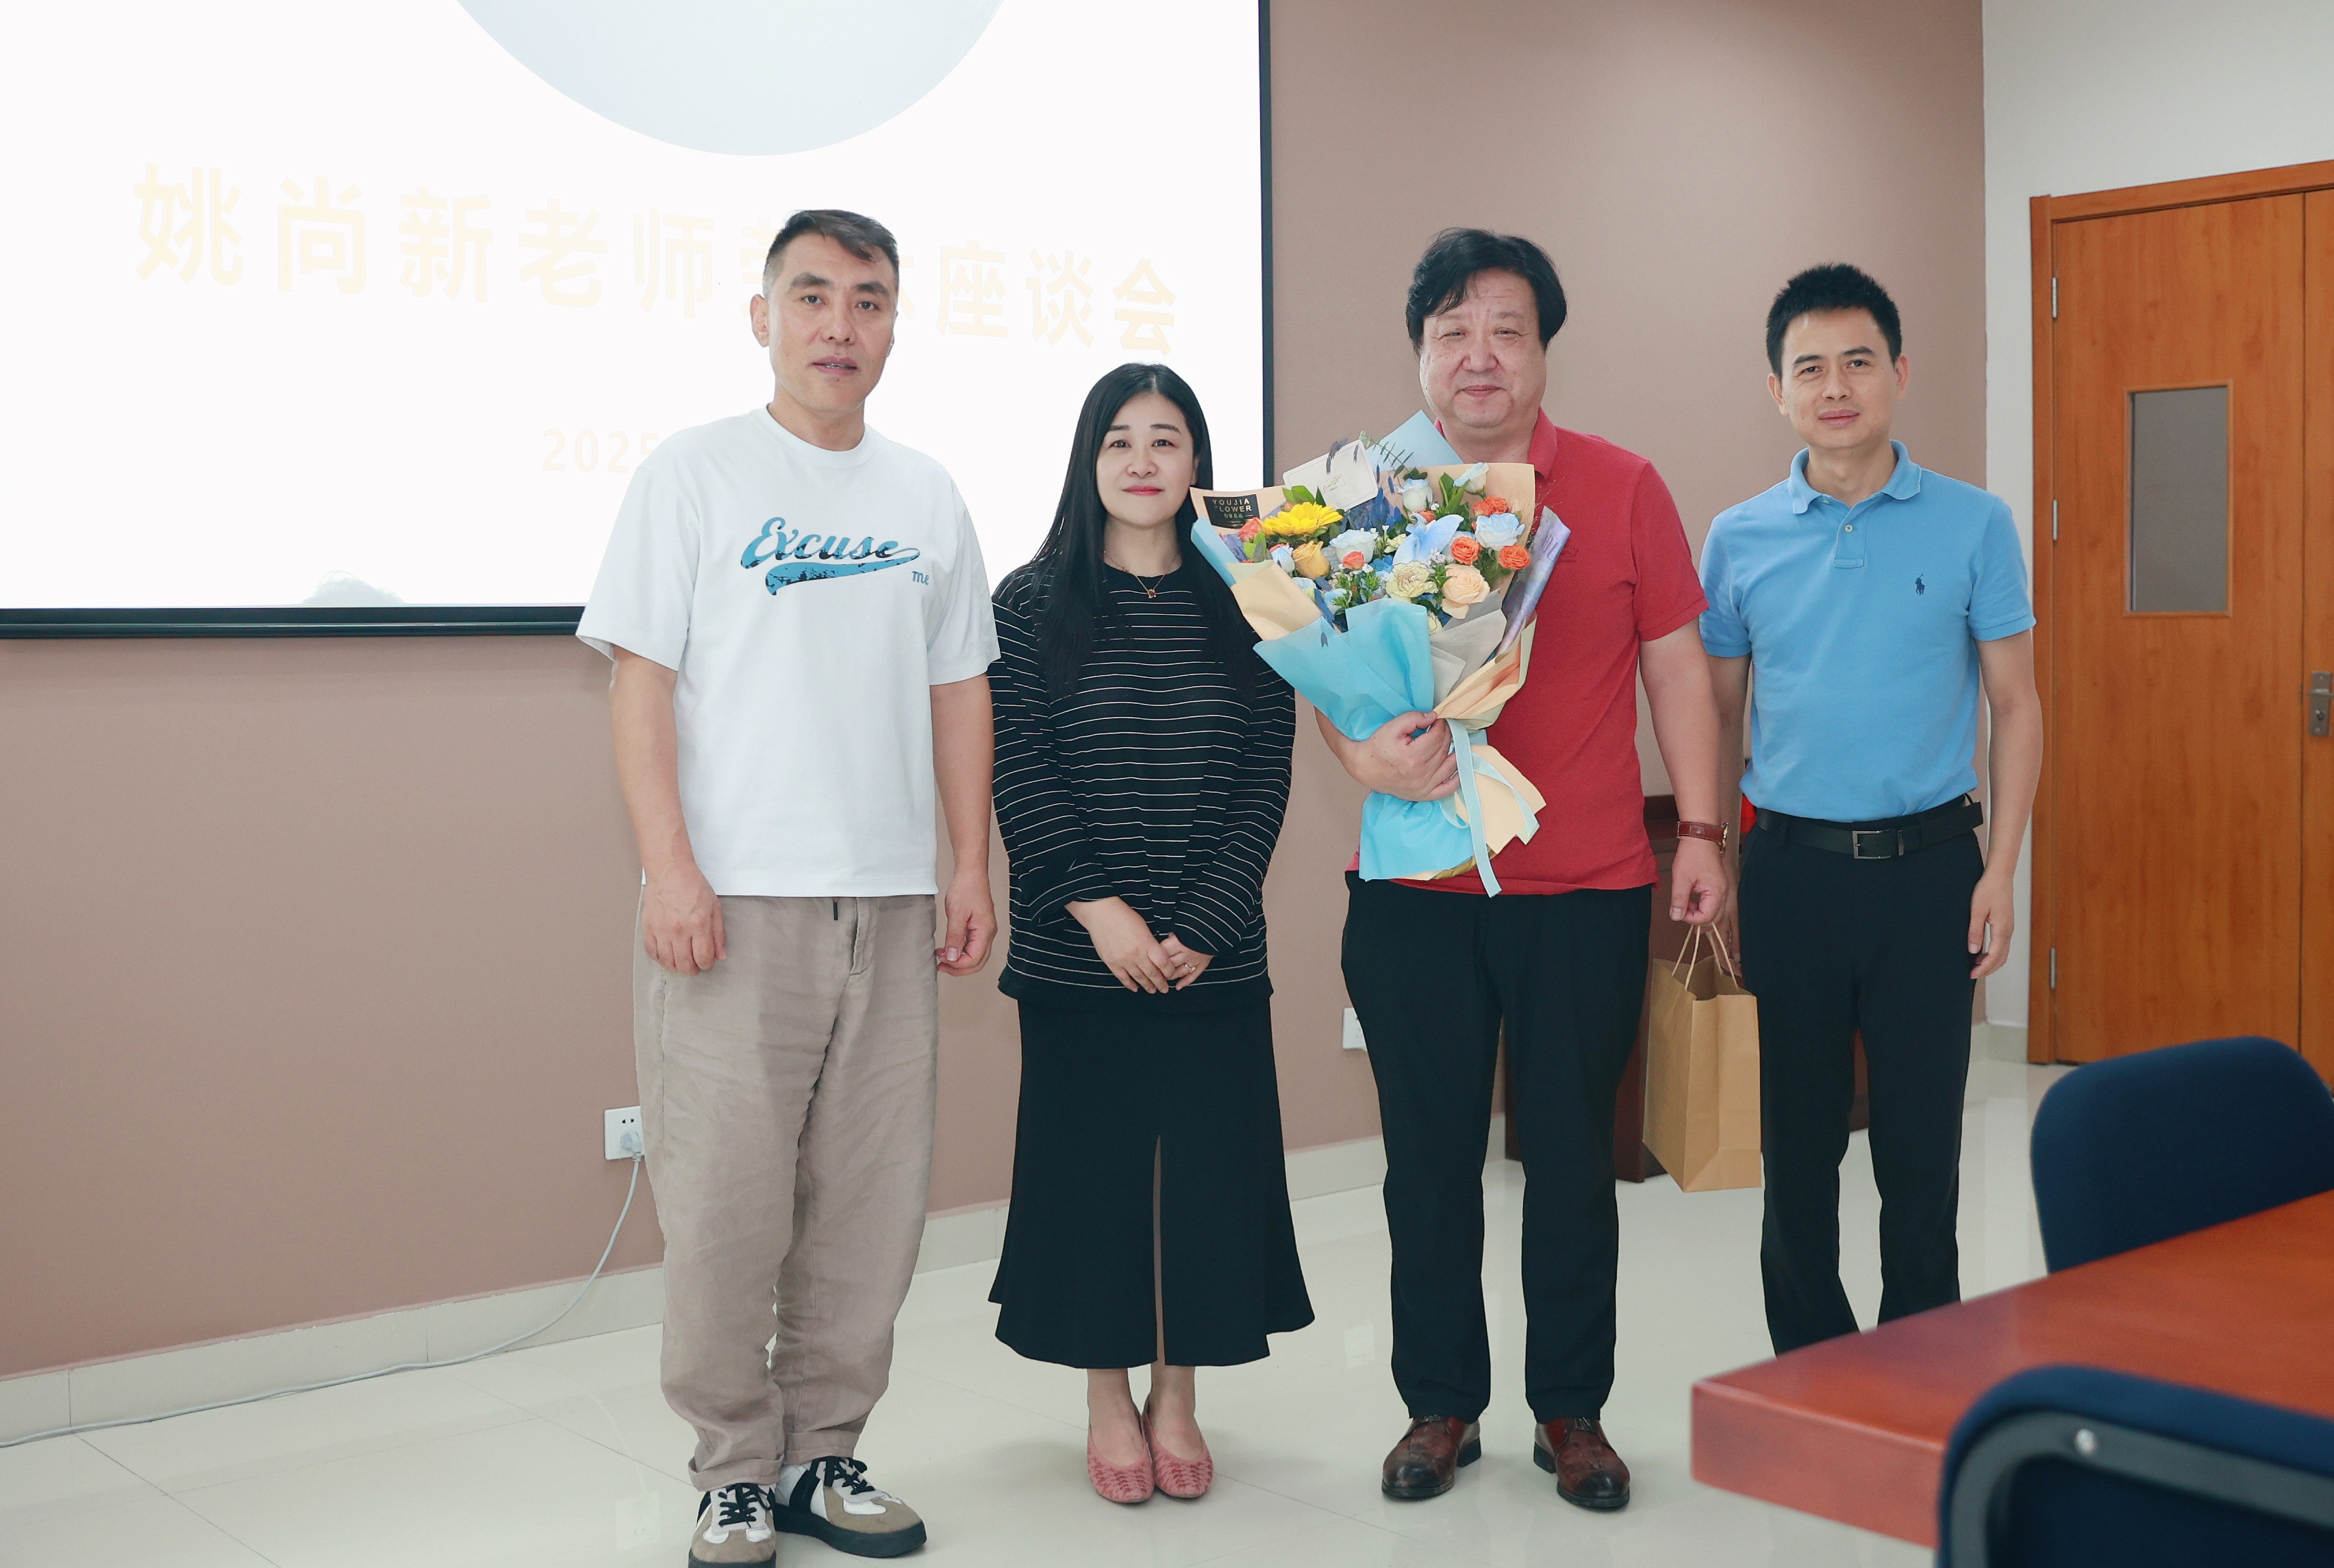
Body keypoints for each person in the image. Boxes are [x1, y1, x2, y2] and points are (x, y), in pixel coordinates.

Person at [577, 208, 999, 1565]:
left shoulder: (925, 493)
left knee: (869, 1203)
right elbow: (640, 683)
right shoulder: (692, 474)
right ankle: (733, 1470)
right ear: (761, 316)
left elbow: (959, 688)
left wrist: (966, 860)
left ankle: (826, 1451)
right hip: (733, 904)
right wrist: (671, 870)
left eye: (868, 300)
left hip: (889, 900)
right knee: (724, 1209)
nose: (839, 325)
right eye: (811, 296)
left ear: (894, 324)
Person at [1319, 229, 1730, 1511]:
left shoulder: (1621, 485)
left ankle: (1573, 1409)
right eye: (1451, 331)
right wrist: (1358, 757)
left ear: (1545, 350)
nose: (1478, 355)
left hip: (1586, 887)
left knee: (1569, 1161)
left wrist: (1702, 830)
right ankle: (1439, 1403)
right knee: (1427, 1164)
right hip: (1414, 892)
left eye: (1506, 329)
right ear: (1420, 354)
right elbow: (1322, 668)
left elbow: (1677, 668)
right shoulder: (1367, 493)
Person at [986, 362, 1312, 1506]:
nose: (1141, 460)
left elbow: (1265, 775)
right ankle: (1105, 1395)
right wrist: (1105, 914)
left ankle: (1179, 1395)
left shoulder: (1251, 601)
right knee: (1096, 1181)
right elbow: (1019, 769)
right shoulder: (1028, 603)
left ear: (1196, 464)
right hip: (1080, 955)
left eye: (1165, 440)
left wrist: (1209, 923)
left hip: (1212, 954)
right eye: (1118, 439)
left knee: (1206, 1182)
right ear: (1089, 460)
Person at [1703, 263, 2041, 1355]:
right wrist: (1716, 855)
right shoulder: (1738, 537)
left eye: (1858, 362)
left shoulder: (1975, 523)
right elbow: (1717, 715)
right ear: (1777, 390)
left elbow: (2016, 704)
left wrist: (2002, 871)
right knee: (1797, 1149)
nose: (1836, 386)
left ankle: (1920, 1364)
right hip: (1791, 871)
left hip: (1932, 870)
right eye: (1810, 368)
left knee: (1920, 1148)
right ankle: (1811, 1366)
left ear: (1899, 371)